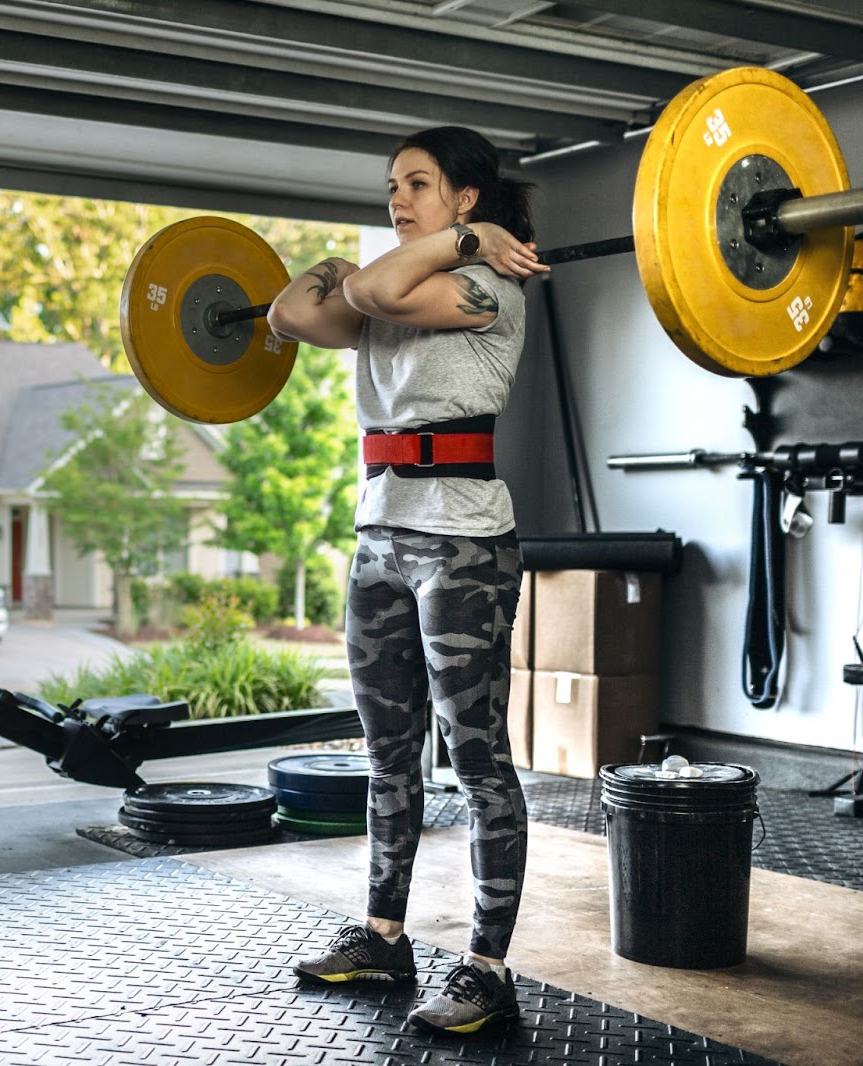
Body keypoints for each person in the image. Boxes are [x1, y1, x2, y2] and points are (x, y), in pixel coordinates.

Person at [267, 125, 547, 1036]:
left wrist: (464, 247)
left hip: (461, 541)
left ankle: (486, 968)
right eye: (392, 184)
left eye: (419, 185)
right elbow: (289, 314)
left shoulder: (487, 285)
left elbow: (376, 288)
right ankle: (386, 937)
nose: (398, 200)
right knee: (388, 752)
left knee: (476, 759)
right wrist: (340, 263)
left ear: (467, 197)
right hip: (380, 535)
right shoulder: (417, 279)